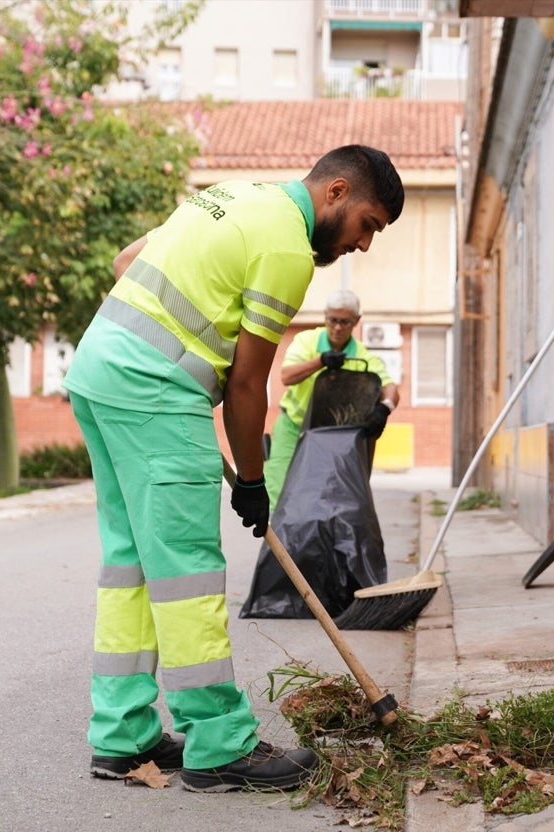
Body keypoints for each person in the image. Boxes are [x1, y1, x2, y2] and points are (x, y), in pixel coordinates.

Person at [61, 145, 404, 793]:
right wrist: (253, 481)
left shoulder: (236, 194)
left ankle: (122, 735)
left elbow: (126, 262)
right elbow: (249, 385)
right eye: (369, 224)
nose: (363, 244)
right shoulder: (285, 249)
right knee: (187, 568)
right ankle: (217, 743)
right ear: (336, 192)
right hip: (152, 391)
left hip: (100, 370)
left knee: (133, 562)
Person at [264, 289, 399, 512]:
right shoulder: (307, 341)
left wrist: (386, 408)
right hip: (292, 428)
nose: (337, 327)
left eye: (345, 322)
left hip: (329, 439)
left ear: (356, 321)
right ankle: (276, 545)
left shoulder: (363, 356)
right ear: (325, 316)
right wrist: (321, 361)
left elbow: (390, 387)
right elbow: (287, 376)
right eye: (333, 320)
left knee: (322, 496)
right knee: (278, 491)